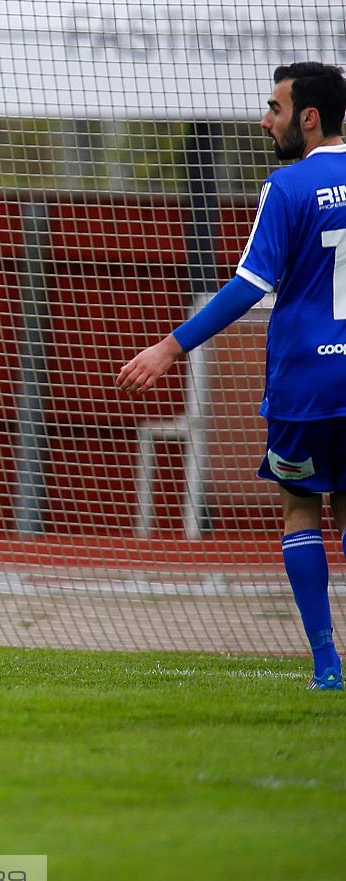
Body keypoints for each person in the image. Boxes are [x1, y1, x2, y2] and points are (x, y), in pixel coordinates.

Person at [118, 62, 346, 691]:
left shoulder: (288, 186)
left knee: (301, 509)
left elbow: (251, 284)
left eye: (274, 108)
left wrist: (171, 346)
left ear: (308, 117)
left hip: (306, 385)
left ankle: (327, 664)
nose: (263, 120)